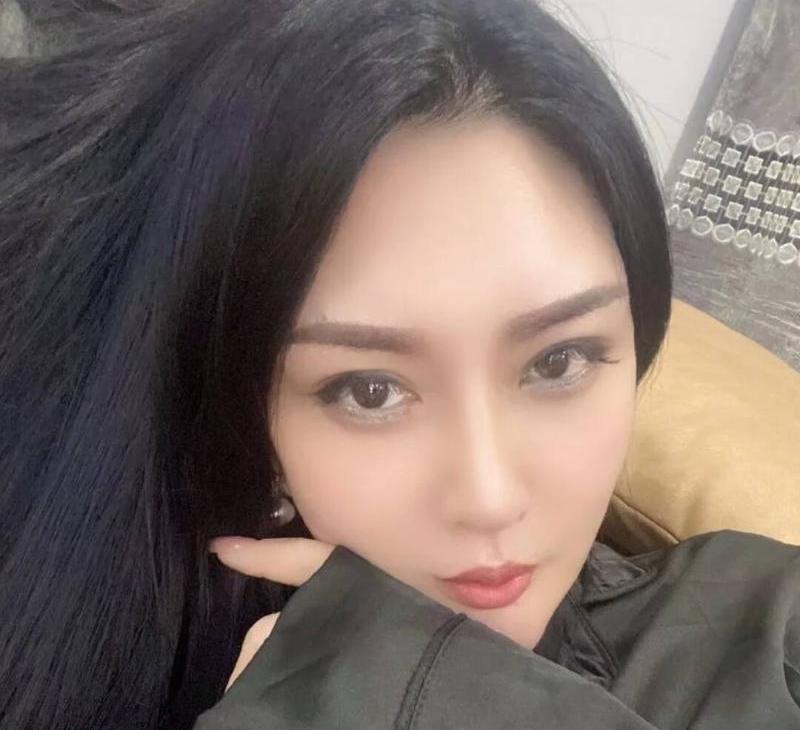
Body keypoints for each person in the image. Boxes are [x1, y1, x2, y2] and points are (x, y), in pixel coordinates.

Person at [1, 1, 797, 729]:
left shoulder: (771, 633)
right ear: (249, 412)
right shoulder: (92, 639)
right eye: (371, 390)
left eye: (559, 361)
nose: (488, 498)